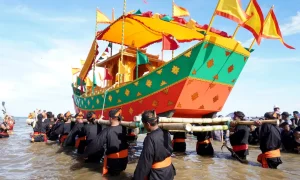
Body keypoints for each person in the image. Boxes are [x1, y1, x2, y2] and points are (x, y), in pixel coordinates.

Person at [84, 108, 128, 176]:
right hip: (125, 159)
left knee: (112, 177)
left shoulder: (107, 131)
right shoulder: (124, 128)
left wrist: (86, 153)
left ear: (110, 118)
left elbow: (96, 144)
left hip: (113, 160)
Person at [133, 110, 176, 180]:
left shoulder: (150, 138)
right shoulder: (165, 132)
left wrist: (136, 178)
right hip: (169, 171)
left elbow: (145, 163)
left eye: (144, 124)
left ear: (148, 124)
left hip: (158, 175)